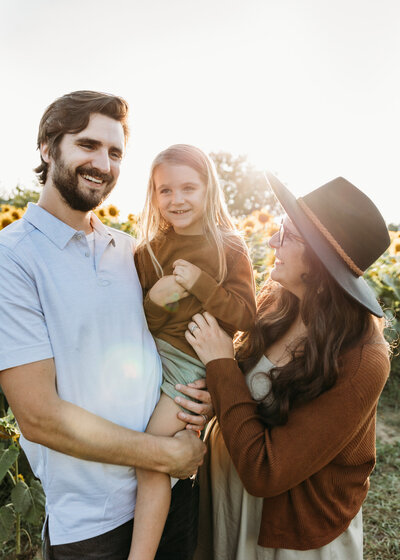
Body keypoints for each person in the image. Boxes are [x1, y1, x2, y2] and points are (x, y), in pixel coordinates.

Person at [0, 91, 209, 560]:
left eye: (115, 152)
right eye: (87, 145)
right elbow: (37, 417)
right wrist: (163, 456)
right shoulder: (11, 259)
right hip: (93, 520)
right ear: (47, 147)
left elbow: (166, 343)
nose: (104, 164)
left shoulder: (129, 249)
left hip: (170, 493)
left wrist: (198, 392)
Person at [185, 173, 391, 559]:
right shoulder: (277, 304)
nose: (271, 241)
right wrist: (216, 399)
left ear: (321, 263)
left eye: (289, 235)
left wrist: (221, 363)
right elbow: (248, 393)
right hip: (228, 498)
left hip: (285, 532)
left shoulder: (363, 359)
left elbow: (267, 472)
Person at [131, 144, 256, 559]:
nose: (176, 199)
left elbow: (243, 317)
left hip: (189, 366)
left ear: (208, 190)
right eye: (164, 190)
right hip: (150, 356)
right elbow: (143, 323)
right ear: (153, 195)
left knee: (152, 454)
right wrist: (156, 298)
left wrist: (201, 283)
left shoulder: (228, 248)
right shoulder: (148, 251)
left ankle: (142, 554)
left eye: (188, 187)